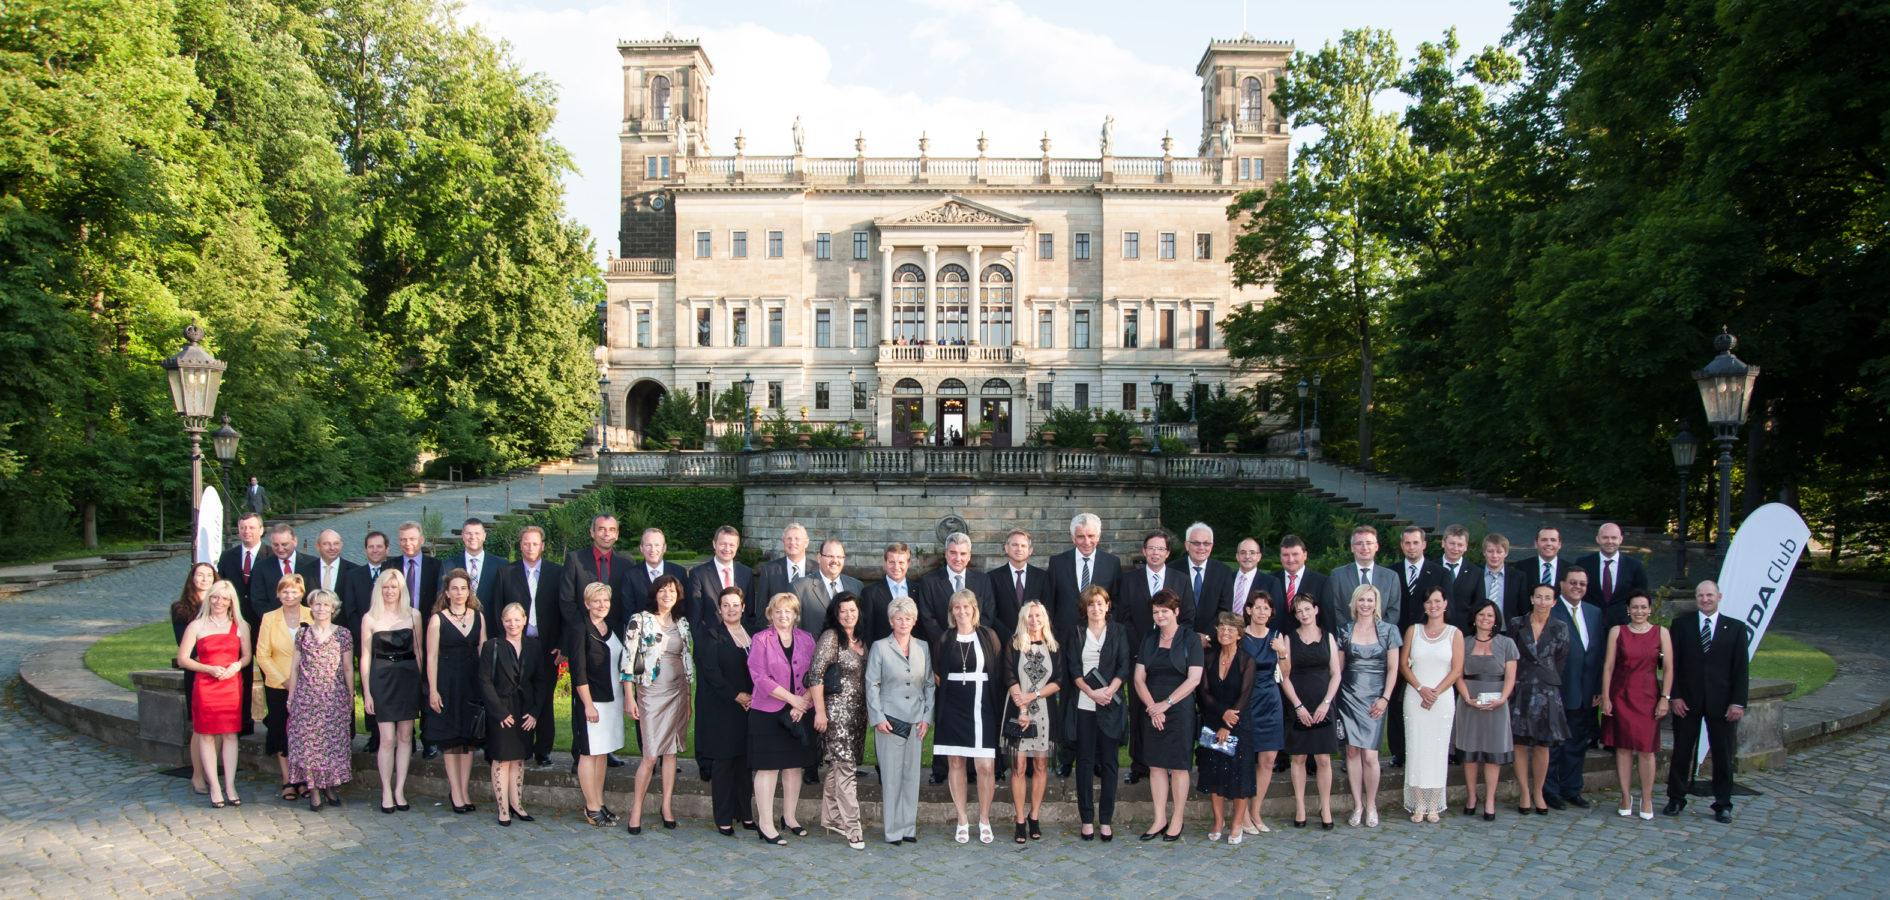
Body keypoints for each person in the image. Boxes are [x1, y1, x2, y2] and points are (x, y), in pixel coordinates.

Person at [1664, 580, 1750, 824]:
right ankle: (1676, 797)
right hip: (1687, 701)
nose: (1705, 599)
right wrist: (1675, 695)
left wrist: (1738, 702)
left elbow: (1741, 669)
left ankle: (1723, 803)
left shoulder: (1735, 628)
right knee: (1681, 752)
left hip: (1722, 704)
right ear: (1696, 598)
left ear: (1719, 596)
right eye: (1701, 595)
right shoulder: (1681, 626)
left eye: (1709, 595)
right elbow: (1673, 665)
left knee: (1723, 755)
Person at [1117, 529, 1194, 785]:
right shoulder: (1130, 580)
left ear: (1168, 553)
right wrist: (1140, 646)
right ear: (1144, 551)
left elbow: (1188, 617)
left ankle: (1170, 762)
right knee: (1139, 710)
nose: (1155, 553)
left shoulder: (1181, 579)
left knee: (1170, 709)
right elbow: (1123, 618)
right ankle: (1139, 764)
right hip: (1140, 654)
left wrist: (1176, 647)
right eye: (1151, 548)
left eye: (1160, 549)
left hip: (1172, 659)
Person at [623, 573, 694, 833]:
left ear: (678, 597)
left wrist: (688, 697)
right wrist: (629, 697)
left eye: (672, 592)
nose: (667, 596)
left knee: (671, 751)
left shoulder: (682, 623)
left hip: (678, 691)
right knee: (651, 755)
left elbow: (687, 661)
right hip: (650, 692)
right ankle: (636, 809)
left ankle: (666, 806)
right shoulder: (639, 620)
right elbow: (628, 662)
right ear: (655, 593)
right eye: (663, 591)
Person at [933, 588, 1005, 843]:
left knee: (985, 765)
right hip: (953, 706)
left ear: (975, 609)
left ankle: (984, 819)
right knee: (956, 763)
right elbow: (938, 674)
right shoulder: (945, 638)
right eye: (957, 607)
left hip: (983, 705)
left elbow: (997, 672)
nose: (962, 611)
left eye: (967, 607)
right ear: (951, 611)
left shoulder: (989, 635)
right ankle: (962, 819)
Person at [1132, 589, 1203, 841]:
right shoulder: (1149, 638)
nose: (1160, 616)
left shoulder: (1190, 639)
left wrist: (1166, 704)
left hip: (1179, 709)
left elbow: (1194, 679)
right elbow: (1139, 678)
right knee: (1156, 765)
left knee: (1179, 766)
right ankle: (1159, 817)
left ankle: (1177, 818)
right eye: (1155, 612)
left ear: (1176, 612)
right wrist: (1153, 706)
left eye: (1164, 611)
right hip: (1152, 710)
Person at [865, 596, 934, 845]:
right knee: (892, 777)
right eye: (898, 618)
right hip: (890, 722)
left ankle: (908, 828)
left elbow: (928, 685)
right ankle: (893, 831)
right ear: (890, 621)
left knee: (911, 776)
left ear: (914, 621)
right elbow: (871, 684)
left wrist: (927, 717)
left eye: (908, 618)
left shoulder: (922, 648)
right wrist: (878, 718)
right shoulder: (880, 647)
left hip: (916, 721)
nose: (903, 622)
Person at [177, 581, 251, 808]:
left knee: (230, 735)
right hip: (205, 685)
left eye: (225, 599)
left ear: (231, 602)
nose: (219, 602)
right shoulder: (196, 626)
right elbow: (183, 659)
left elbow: (247, 656)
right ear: (209, 598)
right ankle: (215, 787)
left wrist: (236, 667)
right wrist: (208, 668)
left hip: (230, 685)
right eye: (215, 597)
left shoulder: (240, 625)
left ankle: (230, 785)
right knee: (207, 735)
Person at [748, 592, 815, 846]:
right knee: (768, 768)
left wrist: (804, 701)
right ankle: (765, 823)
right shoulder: (760, 640)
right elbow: (760, 678)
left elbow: (815, 673)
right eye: (778, 611)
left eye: (788, 611)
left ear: (795, 615)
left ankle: (790, 817)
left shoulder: (807, 639)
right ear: (770, 614)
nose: (783, 615)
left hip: (799, 712)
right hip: (768, 712)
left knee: (793, 766)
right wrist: (793, 700)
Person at [495, 525, 564, 765]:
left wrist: (562, 645)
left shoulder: (557, 572)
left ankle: (543, 749)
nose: (530, 547)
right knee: (516, 696)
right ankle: (518, 746)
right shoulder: (506, 573)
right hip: (515, 646)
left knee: (543, 698)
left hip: (547, 648)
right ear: (520, 545)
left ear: (543, 546)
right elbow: (497, 610)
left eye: (535, 543)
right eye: (526, 543)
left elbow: (564, 611)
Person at [1064, 584, 1129, 841]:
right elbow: (1073, 667)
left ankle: (1106, 819)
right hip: (1085, 705)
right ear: (1085, 608)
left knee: (1111, 764)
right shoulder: (1076, 632)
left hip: (1110, 704)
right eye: (1091, 604)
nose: (1095, 608)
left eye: (1100, 603)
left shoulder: (1119, 631)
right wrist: (1091, 693)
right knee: (1085, 762)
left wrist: (1109, 692)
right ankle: (1087, 818)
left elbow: (1124, 665)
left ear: (1107, 606)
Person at [1601, 591, 1673, 820]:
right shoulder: (1617, 632)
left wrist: (1665, 697)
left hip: (1648, 696)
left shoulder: (1661, 633)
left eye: (1643, 607)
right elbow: (1608, 667)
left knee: (1646, 750)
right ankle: (1625, 796)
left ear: (1650, 609)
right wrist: (1606, 696)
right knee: (1622, 748)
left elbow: (1670, 668)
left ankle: (1647, 797)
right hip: (1621, 694)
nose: (1639, 612)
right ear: (1628, 609)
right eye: (1635, 607)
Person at [809, 591, 870, 850]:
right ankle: (853, 827)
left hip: (857, 715)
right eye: (843, 610)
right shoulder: (831, 637)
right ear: (835, 613)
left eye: (852, 610)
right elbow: (815, 675)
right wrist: (820, 712)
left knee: (838, 766)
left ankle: (832, 817)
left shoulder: (860, 640)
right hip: (835, 714)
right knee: (846, 769)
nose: (848, 615)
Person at [1336, 583, 1401, 828]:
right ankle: (1357, 805)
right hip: (1349, 696)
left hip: (1375, 698)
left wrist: (1385, 698)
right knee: (1352, 752)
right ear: (1354, 603)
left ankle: (1372, 804)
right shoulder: (1344, 630)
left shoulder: (1389, 631)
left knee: (1371, 756)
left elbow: (1393, 668)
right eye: (1361, 600)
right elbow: (1339, 669)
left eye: (1370, 601)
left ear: (1376, 604)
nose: (1365, 605)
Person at [360, 568, 423, 812]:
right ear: (379, 589)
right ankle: (386, 790)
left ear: (401, 590)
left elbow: (419, 652)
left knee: (406, 736)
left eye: (394, 587)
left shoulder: (413, 615)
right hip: (381, 679)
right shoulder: (370, 618)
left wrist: (421, 685)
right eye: (385, 587)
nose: (389, 591)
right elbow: (365, 657)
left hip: (407, 678)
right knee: (386, 739)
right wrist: (366, 692)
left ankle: (400, 789)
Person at [695, 585, 756, 835]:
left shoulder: (752, 633)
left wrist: (753, 696)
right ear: (719, 609)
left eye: (735, 605)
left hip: (750, 707)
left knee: (744, 762)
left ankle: (744, 812)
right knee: (724, 763)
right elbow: (710, 672)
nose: (731, 609)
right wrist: (736, 695)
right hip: (721, 706)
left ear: (743, 607)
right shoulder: (710, 635)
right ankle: (723, 817)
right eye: (726, 605)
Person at [481, 602, 549, 826]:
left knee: (519, 759)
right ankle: (503, 808)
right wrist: (499, 713)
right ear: (502, 622)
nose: (513, 624)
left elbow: (541, 681)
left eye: (517, 620)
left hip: (525, 712)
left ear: (524, 620)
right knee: (501, 759)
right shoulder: (493, 646)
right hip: (501, 711)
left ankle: (517, 804)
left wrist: (535, 713)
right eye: (508, 620)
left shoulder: (533, 646)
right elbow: (485, 682)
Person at [285, 589, 354, 811]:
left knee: (330, 745)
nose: (321, 609)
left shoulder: (343, 634)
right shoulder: (302, 634)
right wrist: (291, 696)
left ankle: (328, 787)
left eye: (326, 605)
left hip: (333, 698)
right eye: (317, 605)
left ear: (333, 608)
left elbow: (347, 667)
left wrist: (351, 695)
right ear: (311, 608)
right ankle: (314, 789)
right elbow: (294, 668)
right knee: (308, 746)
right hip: (306, 699)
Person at [1398, 586, 1462, 823]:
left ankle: (1434, 804)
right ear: (1424, 606)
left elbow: (1457, 669)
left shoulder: (1454, 633)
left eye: (1438, 601)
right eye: (1429, 602)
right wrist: (1421, 688)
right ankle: (1418, 804)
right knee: (1416, 749)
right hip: (1416, 696)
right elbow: (1404, 665)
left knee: (1437, 751)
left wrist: (1435, 692)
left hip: (1442, 698)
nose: (1433, 606)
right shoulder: (1413, 631)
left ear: (1445, 604)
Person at [424, 569, 486, 814]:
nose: (459, 593)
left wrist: (486, 685)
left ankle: (465, 790)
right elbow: (431, 657)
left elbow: (483, 650)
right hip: (448, 683)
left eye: (464, 588)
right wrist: (433, 690)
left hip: (472, 683)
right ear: (447, 592)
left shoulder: (479, 617)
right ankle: (456, 793)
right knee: (451, 740)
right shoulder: (437, 619)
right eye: (455, 589)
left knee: (468, 740)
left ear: (469, 591)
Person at [1279, 594, 1342, 828]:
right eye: (1299, 611)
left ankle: (1325, 808)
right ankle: (1300, 807)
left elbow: (1336, 673)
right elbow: (1283, 676)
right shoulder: (1288, 639)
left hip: (1323, 705)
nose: (1304, 614)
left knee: (1324, 759)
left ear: (1316, 609)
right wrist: (1297, 706)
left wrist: (1326, 702)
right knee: (1299, 758)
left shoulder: (1328, 637)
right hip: (1298, 703)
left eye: (1307, 609)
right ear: (1295, 615)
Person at [568, 582, 626, 826]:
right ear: (587, 603)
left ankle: (599, 801)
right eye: (596, 601)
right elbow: (578, 671)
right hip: (592, 702)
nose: (602, 605)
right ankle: (591, 806)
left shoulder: (611, 628)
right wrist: (588, 704)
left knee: (602, 753)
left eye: (606, 601)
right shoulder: (580, 629)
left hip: (612, 700)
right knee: (589, 754)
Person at [1454, 600, 1518, 820]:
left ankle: (1490, 800)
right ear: (1474, 618)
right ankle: (1471, 797)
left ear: (1496, 619)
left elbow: (1511, 676)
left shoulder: (1507, 643)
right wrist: (1466, 697)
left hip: (1497, 704)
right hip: (1469, 702)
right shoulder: (1464, 642)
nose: (1485, 619)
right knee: (1470, 754)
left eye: (1490, 615)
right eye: (1481, 614)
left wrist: (1503, 699)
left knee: (1492, 754)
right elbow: (1457, 674)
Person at [1509, 583, 1571, 815]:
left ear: (1554, 602)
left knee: (1543, 745)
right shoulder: (1517, 624)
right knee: (1520, 743)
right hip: (1521, 689)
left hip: (1547, 691)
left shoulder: (1560, 627)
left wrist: (1549, 679)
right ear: (1532, 598)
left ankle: (1538, 791)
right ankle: (1524, 791)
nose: (1543, 602)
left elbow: (1561, 659)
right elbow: (1511, 657)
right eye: (1539, 597)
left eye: (1548, 598)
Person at [1547, 566, 1604, 810]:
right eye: (1573, 582)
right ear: (1562, 584)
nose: (1578, 587)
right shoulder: (1550, 610)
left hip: (1586, 690)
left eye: (1582, 583)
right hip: (1559, 689)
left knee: (1577, 743)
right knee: (1553, 746)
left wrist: (1599, 687)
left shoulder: (1594, 612)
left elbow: (1598, 652)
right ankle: (1550, 791)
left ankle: (1572, 789)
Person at [1004, 600, 1060, 843]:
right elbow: (1008, 674)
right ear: (1023, 619)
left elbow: (1059, 679)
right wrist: (1023, 706)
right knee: (1018, 767)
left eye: (1038, 615)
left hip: (1046, 711)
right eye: (1030, 616)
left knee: (1039, 766)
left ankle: (1034, 816)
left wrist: (1034, 696)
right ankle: (1018, 819)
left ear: (1044, 618)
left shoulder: (1054, 646)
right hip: (1019, 711)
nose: (1034, 620)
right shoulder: (1014, 644)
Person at [1197, 612, 1256, 844]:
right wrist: (1221, 716)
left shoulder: (1247, 660)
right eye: (1221, 627)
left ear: (1239, 634)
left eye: (1231, 629)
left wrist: (1228, 725)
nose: (1225, 632)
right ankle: (1218, 821)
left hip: (1239, 726)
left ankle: (1238, 823)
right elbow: (1203, 692)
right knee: (1214, 774)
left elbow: (1245, 696)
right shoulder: (1208, 657)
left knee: (1239, 776)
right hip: (1212, 723)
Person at [1389, 525, 1445, 768]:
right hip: (1396, 643)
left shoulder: (1439, 573)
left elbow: (1445, 610)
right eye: (1407, 543)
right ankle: (1399, 752)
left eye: (1416, 542)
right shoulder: (1391, 573)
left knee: (1427, 695)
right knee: (1396, 699)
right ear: (1402, 545)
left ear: (1424, 545)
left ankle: (1426, 750)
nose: (1411, 547)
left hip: (1428, 642)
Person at [1238, 590, 1289, 834]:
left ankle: (1256, 811)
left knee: (1267, 760)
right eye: (1257, 607)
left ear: (1271, 612)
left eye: (1266, 608)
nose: (1261, 612)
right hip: (1247, 703)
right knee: (1246, 760)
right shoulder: (1240, 638)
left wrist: (1282, 651)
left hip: (1271, 701)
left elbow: (1286, 673)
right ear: (1248, 610)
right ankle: (1243, 813)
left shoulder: (1277, 636)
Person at [255, 573, 309, 801]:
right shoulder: (269, 618)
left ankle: (305, 779)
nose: (289, 595)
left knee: (306, 732)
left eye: (294, 591)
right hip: (278, 685)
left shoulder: (312, 615)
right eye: (285, 591)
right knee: (281, 731)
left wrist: (302, 681)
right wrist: (286, 681)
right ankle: (288, 780)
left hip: (308, 684)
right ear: (278, 594)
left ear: (301, 593)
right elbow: (263, 655)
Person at [340, 530, 393, 752]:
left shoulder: (393, 575)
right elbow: (350, 611)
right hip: (365, 641)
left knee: (391, 688)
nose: (375, 550)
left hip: (392, 642)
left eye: (379, 546)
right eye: (370, 547)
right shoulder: (354, 575)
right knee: (369, 687)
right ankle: (374, 734)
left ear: (387, 549)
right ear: (365, 550)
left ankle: (400, 737)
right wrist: (363, 638)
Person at [171, 562, 217, 795]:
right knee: (201, 727)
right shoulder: (181, 608)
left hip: (221, 672)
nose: (204, 579)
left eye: (209, 575)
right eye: (200, 575)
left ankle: (213, 773)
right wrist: (208, 662)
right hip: (198, 671)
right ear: (192, 578)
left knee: (220, 727)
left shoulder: (222, 605)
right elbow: (185, 647)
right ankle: (197, 774)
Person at [561, 514, 633, 636]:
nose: (607, 534)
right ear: (592, 533)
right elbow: (566, 600)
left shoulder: (627, 563)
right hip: (583, 633)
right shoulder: (574, 560)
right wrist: (583, 627)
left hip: (618, 634)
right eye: (601, 529)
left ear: (616, 535)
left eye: (612, 530)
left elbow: (629, 601)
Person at [1325, 525, 1403, 636]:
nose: (1364, 547)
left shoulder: (1391, 577)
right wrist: (1352, 631)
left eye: (1369, 543)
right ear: (1352, 548)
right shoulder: (1337, 575)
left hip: (1381, 640)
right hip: (1347, 638)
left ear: (1376, 546)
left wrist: (1377, 632)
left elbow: (1394, 611)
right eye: (1359, 543)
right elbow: (1334, 608)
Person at [1576, 523, 1650, 628]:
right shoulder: (1583, 563)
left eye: (1614, 538)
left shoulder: (1634, 566)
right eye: (1605, 537)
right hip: (1590, 624)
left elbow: (1642, 595)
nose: (1610, 541)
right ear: (1598, 539)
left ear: (1620, 539)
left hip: (1623, 626)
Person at [1451, 532, 1529, 627]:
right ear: (1484, 552)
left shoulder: (1518, 577)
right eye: (1490, 551)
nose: (1494, 556)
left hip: (1508, 631)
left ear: (1506, 553)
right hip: (1478, 630)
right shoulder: (1474, 574)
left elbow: (1523, 609)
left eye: (1499, 552)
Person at [687, 525, 754, 631]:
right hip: (710, 640)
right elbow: (694, 615)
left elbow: (749, 611)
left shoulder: (746, 572)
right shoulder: (698, 574)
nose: (727, 549)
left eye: (732, 545)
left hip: (741, 639)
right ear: (714, 544)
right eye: (723, 544)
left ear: (737, 547)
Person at [792, 538, 863, 635]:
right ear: (819, 557)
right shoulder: (800, 588)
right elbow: (794, 629)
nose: (835, 561)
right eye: (830, 556)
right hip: (814, 649)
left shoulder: (856, 586)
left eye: (839, 557)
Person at [988, 529, 1046, 645]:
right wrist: (1010, 637)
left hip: (1035, 640)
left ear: (1030, 550)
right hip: (1004, 642)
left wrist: (1032, 635)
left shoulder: (1042, 577)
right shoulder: (992, 577)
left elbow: (1047, 610)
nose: (1019, 549)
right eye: (1014, 545)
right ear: (1006, 548)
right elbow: (991, 612)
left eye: (1023, 545)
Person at [1182, 523, 1236, 641]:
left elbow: (1225, 609)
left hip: (1211, 642)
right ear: (1187, 545)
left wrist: (1207, 635)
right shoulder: (1173, 570)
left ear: (1211, 546)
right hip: (1179, 640)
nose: (1201, 547)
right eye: (1196, 543)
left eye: (1206, 543)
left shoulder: (1224, 572)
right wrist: (1187, 636)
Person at [751, 524, 812, 629]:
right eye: (788, 539)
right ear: (783, 543)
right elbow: (762, 608)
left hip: (810, 634)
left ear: (806, 543)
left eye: (797, 539)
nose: (792, 542)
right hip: (777, 635)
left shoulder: (817, 570)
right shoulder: (769, 570)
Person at [860, 541, 916, 643]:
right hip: (882, 654)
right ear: (885, 562)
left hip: (913, 653)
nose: (896, 567)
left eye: (901, 562)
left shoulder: (919, 590)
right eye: (892, 562)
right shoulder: (870, 593)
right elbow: (867, 630)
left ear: (908, 563)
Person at [1275, 535, 1331, 632]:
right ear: (1280, 557)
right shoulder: (1271, 580)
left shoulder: (1322, 582)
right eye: (1285, 555)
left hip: (1309, 643)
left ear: (1305, 555)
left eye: (1295, 554)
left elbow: (1328, 619)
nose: (1290, 559)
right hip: (1275, 642)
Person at [443, 518, 502, 606]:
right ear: (462, 536)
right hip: (457, 618)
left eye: (477, 533)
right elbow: (442, 597)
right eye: (468, 533)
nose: (472, 537)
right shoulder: (448, 566)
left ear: (484, 536)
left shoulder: (501, 565)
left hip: (490, 619)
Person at [1229, 539, 1285, 625]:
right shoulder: (1227, 578)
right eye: (1243, 552)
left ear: (1259, 557)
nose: (1247, 556)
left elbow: (1276, 617)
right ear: (1237, 556)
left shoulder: (1272, 583)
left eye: (1252, 552)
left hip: (1257, 636)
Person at [312, 529, 355, 596]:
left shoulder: (354, 571)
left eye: (336, 543)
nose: (332, 548)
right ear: (317, 547)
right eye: (326, 544)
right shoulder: (305, 572)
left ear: (341, 545)